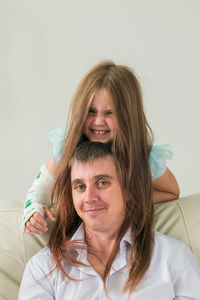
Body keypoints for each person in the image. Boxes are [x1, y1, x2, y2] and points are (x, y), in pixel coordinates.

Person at [18, 142, 200, 299]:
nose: (89, 197)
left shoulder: (173, 257)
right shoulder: (43, 268)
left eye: (102, 182)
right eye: (80, 186)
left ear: (128, 190)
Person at [20, 60, 179, 234]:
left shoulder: (143, 156)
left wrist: (125, 199)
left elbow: (170, 192)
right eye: (91, 111)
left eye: (110, 113)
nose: (98, 121)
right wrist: (33, 209)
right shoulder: (69, 145)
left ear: (128, 116)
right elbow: (44, 183)